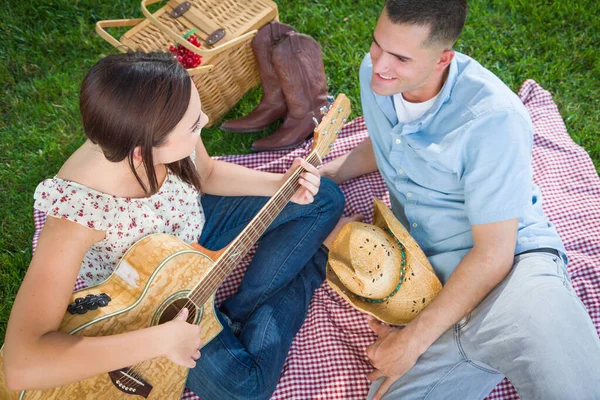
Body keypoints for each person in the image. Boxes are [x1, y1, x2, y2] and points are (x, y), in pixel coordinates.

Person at [2, 51, 347, 400]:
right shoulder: (77, 213)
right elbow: (21, 365)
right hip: (150, 300)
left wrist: (279, 185)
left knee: (324, 198)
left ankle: (239, 311)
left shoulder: (163, 112)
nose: (206, 121)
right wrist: (161, 341)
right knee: (248, 389)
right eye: (194, 126)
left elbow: (207, 173)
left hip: (193, 229)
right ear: (141, 152)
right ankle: (313, 262)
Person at [319, 1, 600, 399]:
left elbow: (493, 257)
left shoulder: (495, 121)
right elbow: (389, 140)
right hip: (428, 287)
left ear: (442, 59)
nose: (380, 64)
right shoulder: (378, 76)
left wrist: (413, 340)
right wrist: (333, 172)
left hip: (512, 275)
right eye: (376, 44)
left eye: (400, 57)